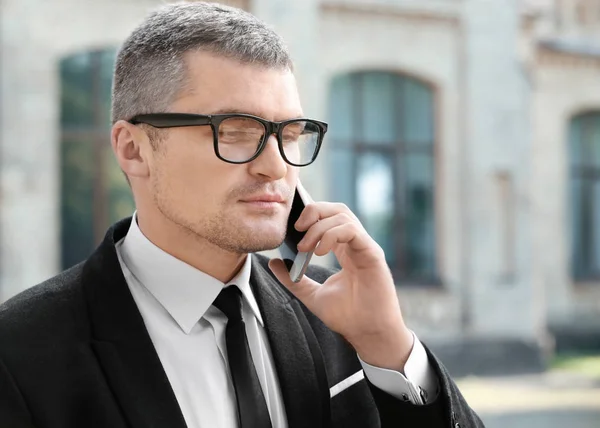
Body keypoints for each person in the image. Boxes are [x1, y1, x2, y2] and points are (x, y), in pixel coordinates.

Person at [0, 2, 483, 427]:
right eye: (234, 130)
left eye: (290, 133)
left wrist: (388, 345)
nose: (276, 165)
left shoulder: (340, 320)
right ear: (134, 149)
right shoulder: (20, 355)